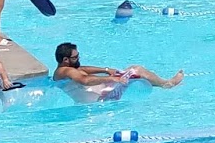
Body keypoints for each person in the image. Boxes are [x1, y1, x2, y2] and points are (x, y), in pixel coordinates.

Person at [52, 42, 182, 100]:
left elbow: (82, 69)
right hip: (102, 98)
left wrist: (107, 70)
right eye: (75, 57)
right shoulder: (66, 72)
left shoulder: (66, 69)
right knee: (136, 69)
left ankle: (162, 83)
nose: (78, 58)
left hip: (102, 92)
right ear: (65, 59)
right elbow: (84, 80)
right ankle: (166, 84)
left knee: (132, 70)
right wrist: (112, 78)